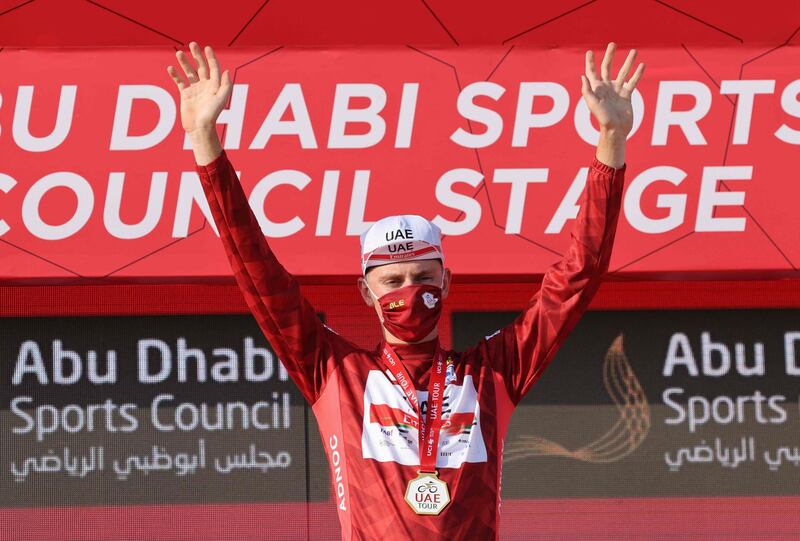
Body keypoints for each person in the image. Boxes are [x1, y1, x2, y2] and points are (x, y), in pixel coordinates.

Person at [167, 41, 643, 540]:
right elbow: (256, 271)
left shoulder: (491, 375)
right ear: (365, 292)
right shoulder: (334, 372)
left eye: (422, 277)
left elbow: (579, 275)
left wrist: (611, 140)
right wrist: (205, 141)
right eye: (392, 281)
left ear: (447, 281)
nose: (410, 292)